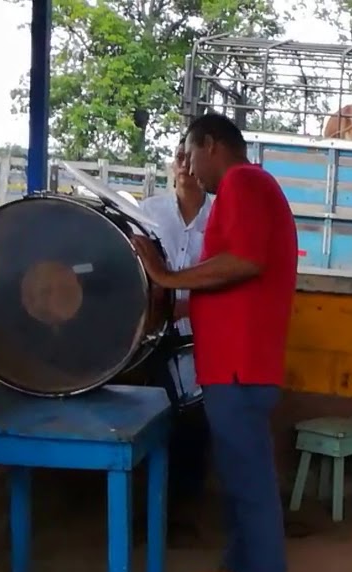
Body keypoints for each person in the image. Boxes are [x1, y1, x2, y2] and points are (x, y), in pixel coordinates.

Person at [132, 112, 298, 572]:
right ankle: (238, 568)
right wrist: (182, 305)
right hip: (231, 359)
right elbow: (235, 276)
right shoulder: (245, 191)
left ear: (210, 145)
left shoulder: (245, 182)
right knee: (237, 477)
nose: (189, 167)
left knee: (251, 485)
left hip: (240, 365)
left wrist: (167, 276)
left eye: (190, 152)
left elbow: (244, 262)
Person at [138, 138, 213, 544]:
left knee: (195, 426)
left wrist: (189, 307)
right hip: (155, 338)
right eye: (179, 157)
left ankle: (182, 513)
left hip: (203, 338)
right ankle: (148, 511)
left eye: (191, 157)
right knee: (153, 421)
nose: (184, 164)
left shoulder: (219, 216)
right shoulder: (148, 213)